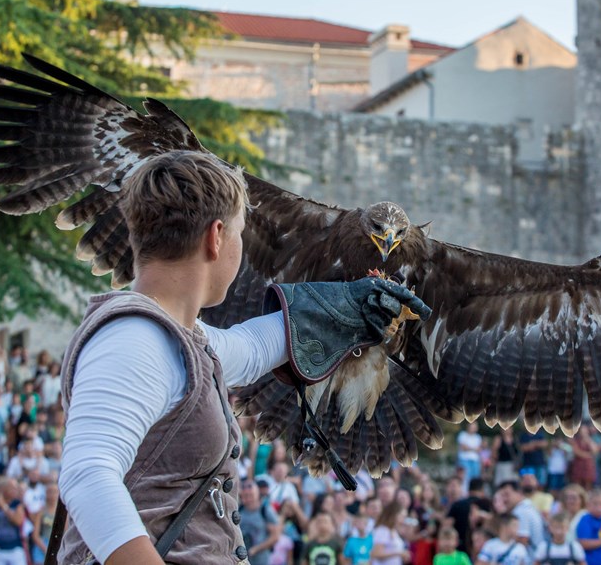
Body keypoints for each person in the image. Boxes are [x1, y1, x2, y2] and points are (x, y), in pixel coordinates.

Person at [55, 151, 427, 565]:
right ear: (217, 238)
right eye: (240, 234)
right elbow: (88, 477)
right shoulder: (133, 341)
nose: (241, 247)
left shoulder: (178, 337)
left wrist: (347, 306)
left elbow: (248, 350)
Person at [0, 478, 26, 565]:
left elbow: (17, 521)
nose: (15, 490)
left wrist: (4, 507)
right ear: (3, 489)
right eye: (12, 488)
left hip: (15, 548)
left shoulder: (17, 504)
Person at [448, 479, 492, 555]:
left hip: (460, 548)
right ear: (482, 489)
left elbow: (447, 525)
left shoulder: (457, 504)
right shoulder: (488, 504)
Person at [371, 501, 411, 565]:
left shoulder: (393, 530)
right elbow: (376, 553)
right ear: (394, 515)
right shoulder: (383, 530)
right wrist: (399, 553)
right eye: (402, 516)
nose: (404, 519)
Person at [457, 423, 484, 489]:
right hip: (464, 460)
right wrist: (474, 449)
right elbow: (463, 447)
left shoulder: (478, 437)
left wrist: (469, 448)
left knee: (475, 478)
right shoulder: (462, 435)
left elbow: (479, 449)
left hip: (475, 461)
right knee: (465, 479)